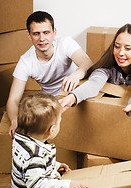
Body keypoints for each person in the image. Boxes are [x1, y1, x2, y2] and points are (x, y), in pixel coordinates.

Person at [11, 92, 89, 188]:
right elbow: (37, 186)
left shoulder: (21, 138)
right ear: (51, 129)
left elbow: (27, 167)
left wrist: (54, 165)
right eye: (60, 121)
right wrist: (68, 186)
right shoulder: (34, 155)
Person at [60, 24, 131, 128]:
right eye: (117, 46)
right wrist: (73, 97)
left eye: (128, 48)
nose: (120, 53)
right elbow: (94, 84)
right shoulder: (106, 70)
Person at [6, 11, 92, 139]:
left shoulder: (65, 43)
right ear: (29, 35)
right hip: (52, 103)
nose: (42, 39)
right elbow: (13, 99)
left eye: (46, 33)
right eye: (36, 34)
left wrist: (76, 75)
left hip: (76, 91)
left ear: (54, 32)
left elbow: (87, 63)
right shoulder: (25, 61)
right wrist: (14, 120)